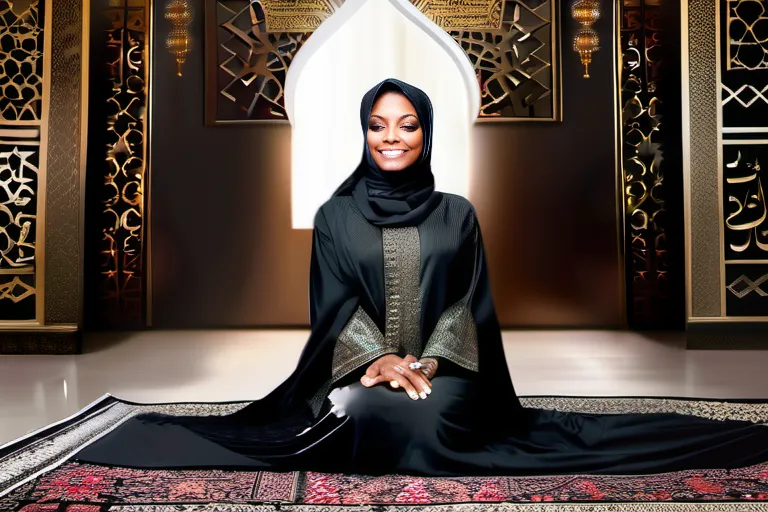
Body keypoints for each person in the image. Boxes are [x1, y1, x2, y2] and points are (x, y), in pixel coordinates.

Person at [76, 78, 768, 476]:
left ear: (427, 133)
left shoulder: (457, 213)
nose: (392, 138)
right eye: (378, 126)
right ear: (364, 133)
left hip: (453, 371)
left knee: (422, 421)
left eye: (407, 125)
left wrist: (428, 363)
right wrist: (377, 361)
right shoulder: (335, 214)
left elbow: (470, 305)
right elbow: (333, 308)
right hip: (359, 373)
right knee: (365, 407)